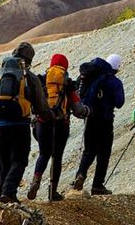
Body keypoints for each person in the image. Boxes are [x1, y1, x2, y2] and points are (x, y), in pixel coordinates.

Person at [0, 42, 49, 204]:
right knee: (20, 160)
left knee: (3, 163)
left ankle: (3, 196)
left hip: (1, 126)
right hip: (21, 126)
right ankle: (9, 192)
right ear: (29, 59)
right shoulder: (30, 77)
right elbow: (41, 105)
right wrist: (47, 117)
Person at [27, 54, 90, 202]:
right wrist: (87, 111)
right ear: (65, 66)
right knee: (57, 157)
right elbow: (78, 108)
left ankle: (36, 180)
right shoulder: (67, 83)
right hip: (61, 124)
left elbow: (31, 104)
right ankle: (53, 191)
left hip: (42, 123)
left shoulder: (41, 80)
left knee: (44, 153)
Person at [72, 54, 125, 195]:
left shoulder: (91, 76)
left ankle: (80, 174)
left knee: (89, 150)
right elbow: (120, 103)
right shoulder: (114, 82)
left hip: (89, 118)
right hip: (106, 121)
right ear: (117, 68)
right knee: (104, 152)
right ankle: (97, 185)